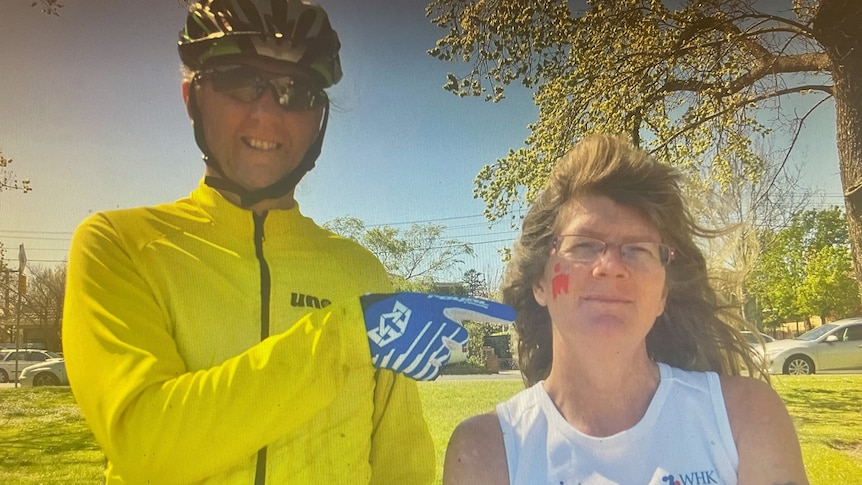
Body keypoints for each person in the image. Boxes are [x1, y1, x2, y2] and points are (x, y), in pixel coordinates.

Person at [61, 1, 514, 483]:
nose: (267, 112)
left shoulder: (361, 273)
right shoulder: (118, 245)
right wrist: (344, 338)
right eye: (239, 80)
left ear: (320, 117)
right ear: (191, 95)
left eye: (296, 91)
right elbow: (145, 447)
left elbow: (400, 466)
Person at [442, 134, 809, 485]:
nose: (612, 266)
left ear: (663, 292)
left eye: (638, 249)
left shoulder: (746, 418)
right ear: (540, 282)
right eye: (584, 245)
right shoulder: (484, 452)